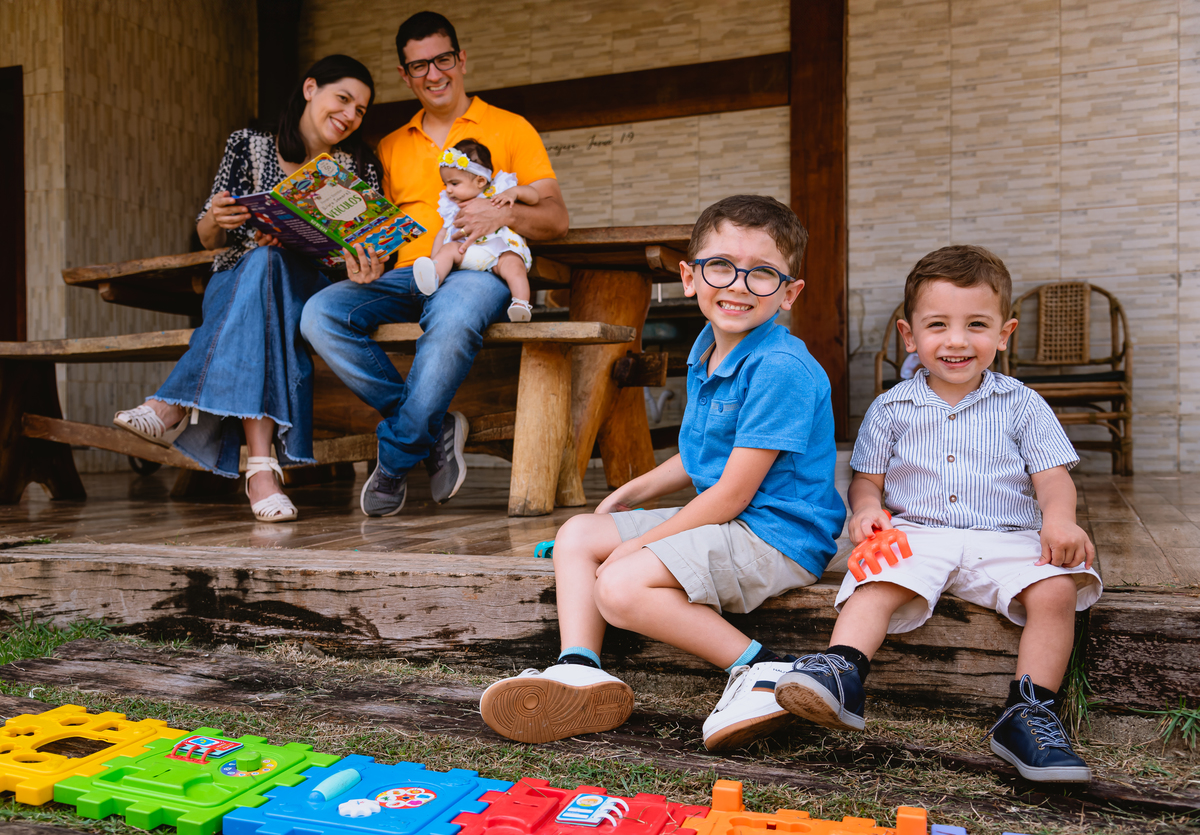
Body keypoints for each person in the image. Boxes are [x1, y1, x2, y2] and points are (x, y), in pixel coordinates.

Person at [478, 195, 847, 752]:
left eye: (763, 273)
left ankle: (763, 672)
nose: (739, 285)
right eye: (721, 265)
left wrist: (637, 545)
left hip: (778, 536)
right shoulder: (708, 350)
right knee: (578, 533)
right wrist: (630, 491)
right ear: (690, 277)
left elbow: (729, 493)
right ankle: (579, 669)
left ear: (790, 293)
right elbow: (704, 457)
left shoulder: (780, 368)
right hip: (733, 520)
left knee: (620, 586)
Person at [774, 245, 1102, 783]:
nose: (956, 340)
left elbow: (1052, 478)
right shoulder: (890, 407)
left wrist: (1059, 520)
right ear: (910, 336)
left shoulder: (1021, 403)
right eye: (937, 325)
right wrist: (867, 511)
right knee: (875, 577)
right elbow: (867, 480)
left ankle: (1029, 711)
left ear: (1004, 333)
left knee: (1057, 590)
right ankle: (842, 670)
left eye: (976, 324)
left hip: (1006, 536)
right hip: (919, 533)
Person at [300, 11, 568, 518]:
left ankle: (398, 459)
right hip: (408, 274)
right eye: (418, 65)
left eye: (443, 59)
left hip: (476, 272)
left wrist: (499, 211)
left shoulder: (509, 127)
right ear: (405, 74)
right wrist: (363, 255)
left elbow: (556, 219)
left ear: (461, 59)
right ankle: (435, 425)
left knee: (450, 321)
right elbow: (377, 228)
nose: (433, 73)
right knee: (319, 314)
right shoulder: (390, 146)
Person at [113, 55, 385, 523]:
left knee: (271, 264)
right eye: (343, 99)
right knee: (262, 263)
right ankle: (262, 471)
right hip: (236, 280)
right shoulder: (248, 144)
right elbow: (207, 237)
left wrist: (365, 265)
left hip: (309, 289)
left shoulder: (359, 166)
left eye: (360, 110)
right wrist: (216, 217)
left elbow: (363, 249)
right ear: (310, 88)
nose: (349, 115)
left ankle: (173, 402)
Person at [412, 138, 539, 322]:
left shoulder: (500, 189)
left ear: (480, 181)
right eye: (445, 184)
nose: (448, 190)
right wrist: (435, 260)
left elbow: (534, 197)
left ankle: (520, 304)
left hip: (501, 252)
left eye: (454, 183)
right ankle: (434, 277)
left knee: (514, 266)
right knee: (448, 250)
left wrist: (515, 193)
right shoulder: (452, 206)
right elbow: (443, 233)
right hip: (470, 252)